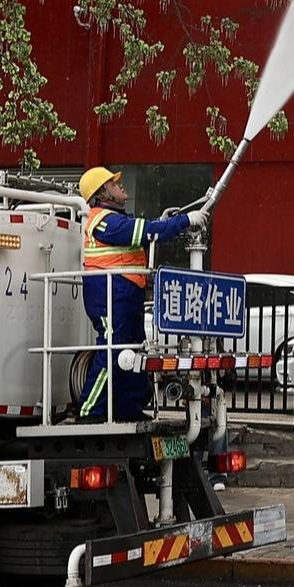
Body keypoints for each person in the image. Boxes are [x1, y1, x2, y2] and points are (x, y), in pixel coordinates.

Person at [74, 166, 205, 423]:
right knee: (113, 351)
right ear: (102, 194)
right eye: (113, 183)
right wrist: (184, 221)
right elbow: (144, 232)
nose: (120, 185)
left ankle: (128, 408)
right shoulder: (104, 221)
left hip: (124, 294)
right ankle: (90, 410)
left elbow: (142, 231)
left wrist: (162, 221)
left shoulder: (114, 220)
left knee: (133, 352)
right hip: (110, 296)